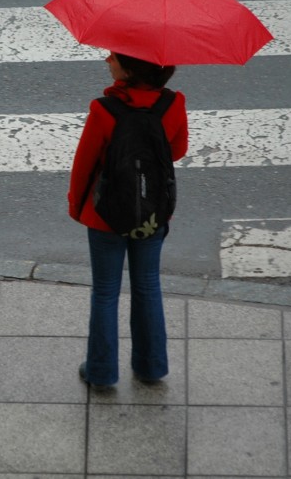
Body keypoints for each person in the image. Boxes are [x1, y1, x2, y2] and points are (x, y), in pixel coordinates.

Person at [68, 51, 189, 388]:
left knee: (105, 293)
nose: (107, 59)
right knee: (148, 285)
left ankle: (102, 372)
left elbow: (85, 165)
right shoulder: (174, 103)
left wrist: (77, 207)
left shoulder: (104, 110)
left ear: (131, 69)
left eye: (115, 57)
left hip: (105, 215)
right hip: (152, 212)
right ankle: (151, 367)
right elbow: (176, 151)